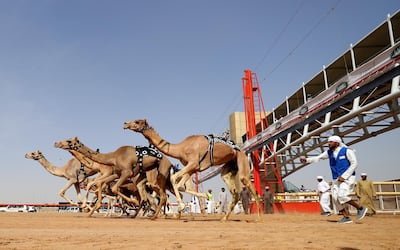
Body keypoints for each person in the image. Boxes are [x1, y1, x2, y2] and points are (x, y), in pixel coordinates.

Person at [300, 135, 368, 224]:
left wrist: (345, 176)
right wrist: (307, 160)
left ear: (336, 142)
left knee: (342, 195)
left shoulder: (347, 151)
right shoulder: (329, 152)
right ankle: (346, 217)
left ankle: (360, 208)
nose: (328, 143)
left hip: (347, 178)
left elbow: (354, 164)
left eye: (330, 142)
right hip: (336, 178)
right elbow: (318, 157)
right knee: (335, 198)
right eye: (328, 142)